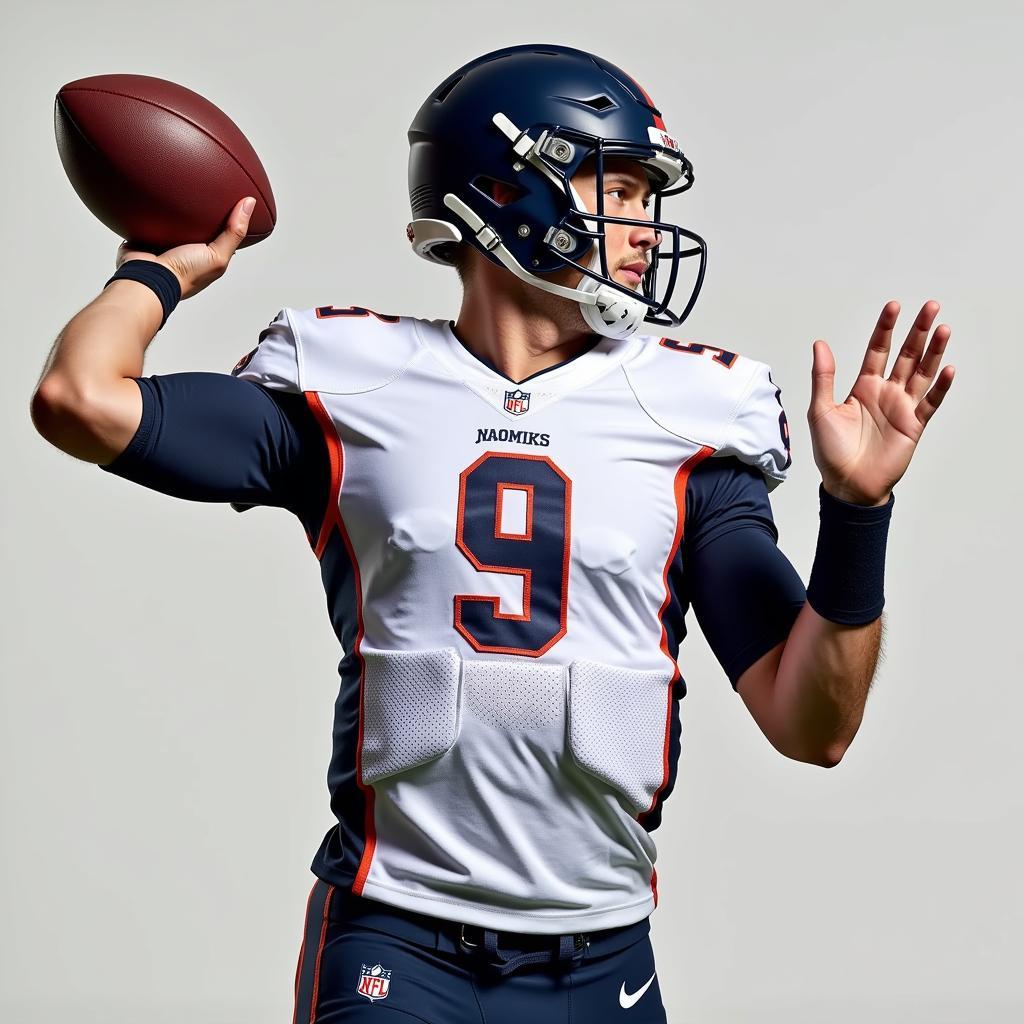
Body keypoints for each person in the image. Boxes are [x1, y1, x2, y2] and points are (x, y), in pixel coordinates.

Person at [30, 43, 954, 1024]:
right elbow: (79, 398)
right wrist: (155, 270)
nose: (643, 227)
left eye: (649, 197)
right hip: (393, 936)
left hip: (599, 958)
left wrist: (858, 513)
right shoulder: (355, 384)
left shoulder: (690, 413)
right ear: (506, 188)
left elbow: (813, 725)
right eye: (620, 188)